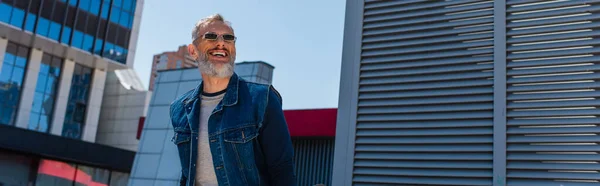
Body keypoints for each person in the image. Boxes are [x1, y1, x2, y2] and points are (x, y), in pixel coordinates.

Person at [169, 14, 297, 186]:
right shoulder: (179, 109)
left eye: (228, 38)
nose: (221, 42)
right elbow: (187, 175)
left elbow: (283, 173)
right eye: (211, 36)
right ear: (193, 51)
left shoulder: (262, 99)